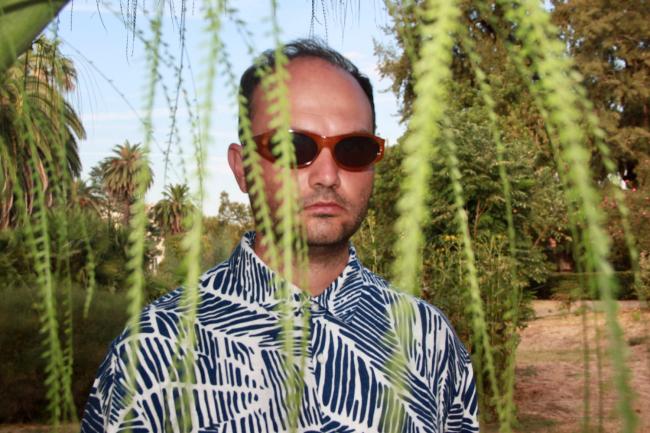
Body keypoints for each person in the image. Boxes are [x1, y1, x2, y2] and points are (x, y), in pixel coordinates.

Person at [80, 39, 478, 433]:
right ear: (242, 168)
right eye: (293, 146)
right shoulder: (153, 350)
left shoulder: (429, 340)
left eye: (354, 149)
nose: (327, 176)